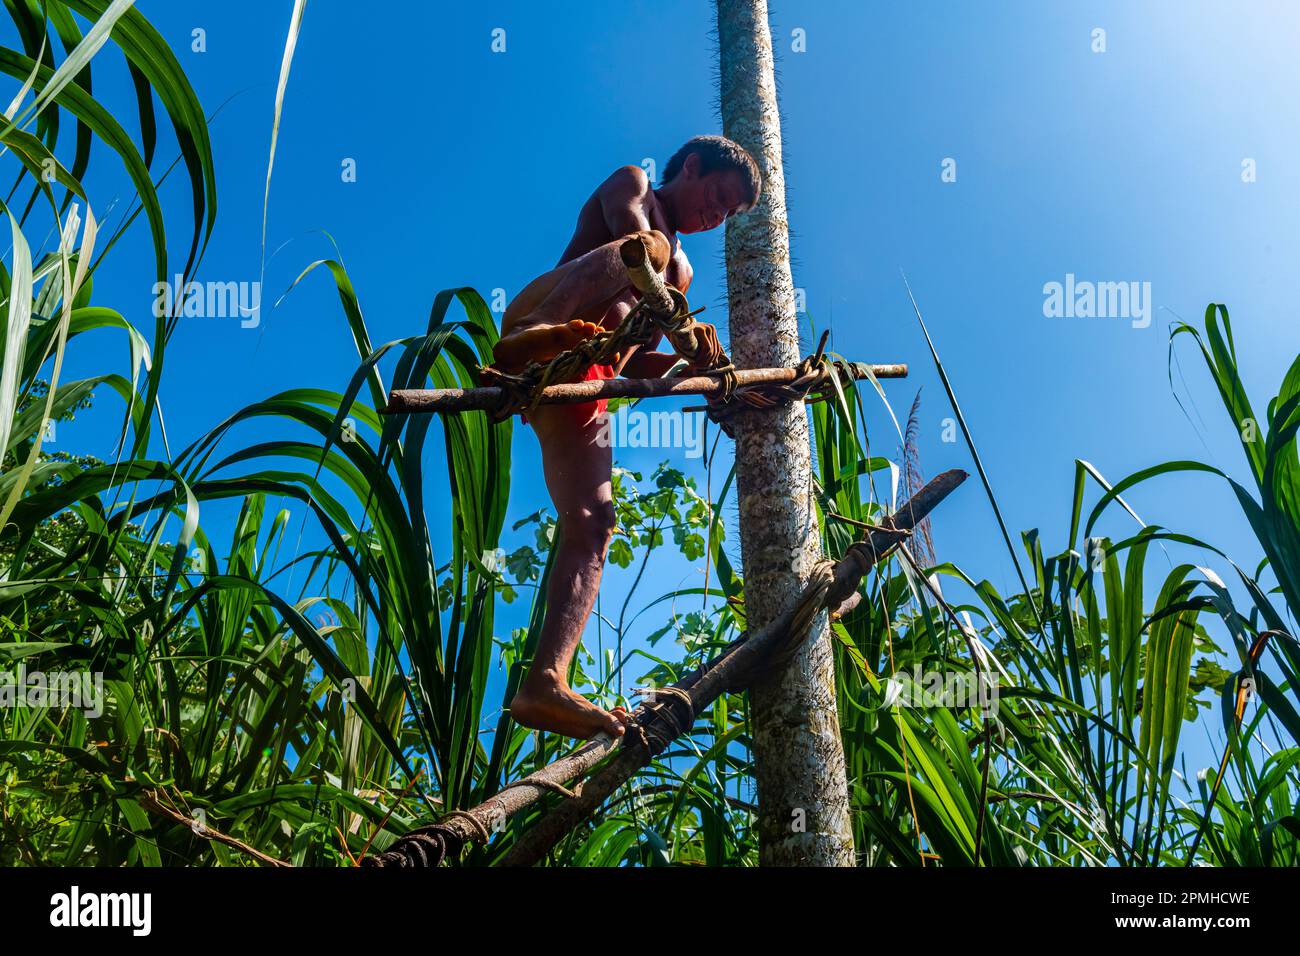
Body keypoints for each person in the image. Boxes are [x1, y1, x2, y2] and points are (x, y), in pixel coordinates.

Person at [494, 135, 761, 739]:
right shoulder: (633, 185)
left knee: (594, 520)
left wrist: (691, 368)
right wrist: (683, 323)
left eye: (726, 216)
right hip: (542, 337)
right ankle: (532, 334)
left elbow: (633, 363)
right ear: (691, 167)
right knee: (653, 248)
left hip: (585, 374)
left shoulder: (683, 274)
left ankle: (545, 683)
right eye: (717, 197)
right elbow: (636, 250)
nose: (715, 217)